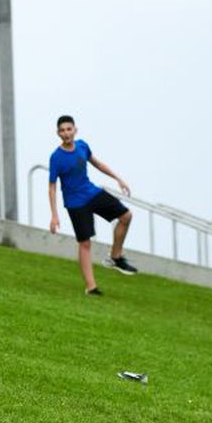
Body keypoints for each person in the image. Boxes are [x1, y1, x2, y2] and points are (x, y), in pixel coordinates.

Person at [48, 115, 137, 294]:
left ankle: (116, 257)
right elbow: (52, 187)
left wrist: (118, 178)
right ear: (58, 133)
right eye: (62, 130)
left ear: (75, 130)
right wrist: (54, 215)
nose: (66, 133)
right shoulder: (56, 157)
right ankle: (91, 287)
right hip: (75, 203)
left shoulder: (82, 146)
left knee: (126, 216)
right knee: (85, 243)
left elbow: (97, 163)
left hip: (92, 193)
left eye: (69, 129)